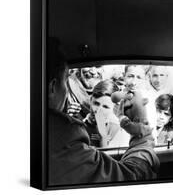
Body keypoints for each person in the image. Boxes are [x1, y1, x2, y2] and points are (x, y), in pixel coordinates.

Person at [47, 40, 159, 185]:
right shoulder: (65, 135)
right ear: (52, 87)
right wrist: (141, 135)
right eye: (65, 81)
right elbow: (131, 179)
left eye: (105, 106)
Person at [83, 79, 130, 147]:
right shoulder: (79, 124)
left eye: (105, 107)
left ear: (114, 108)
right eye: (96, 103)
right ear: (90, 100)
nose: (98, 110)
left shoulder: (117, 130)